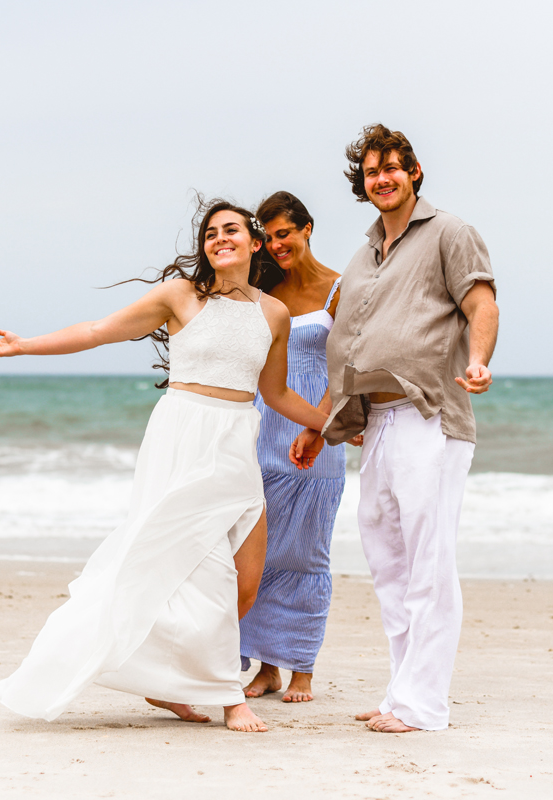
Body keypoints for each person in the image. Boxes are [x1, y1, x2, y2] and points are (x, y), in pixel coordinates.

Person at [0, 199, 328, 733]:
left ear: (255, 244)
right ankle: (229, 696)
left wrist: (330, 421)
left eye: (231, 230)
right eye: (211, 233)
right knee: (207, 570)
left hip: (236, 441)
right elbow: (97, 330)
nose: (219, 239)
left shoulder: (273, 313)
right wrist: (25, 346)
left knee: (247, 580)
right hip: (183, 436)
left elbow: (275, 392)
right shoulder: (180, 295)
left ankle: (174, 683)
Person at [291, 124, 499, 733]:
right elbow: (346, 344)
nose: (381, 178)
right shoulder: (361, 258)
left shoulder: (450, 233)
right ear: (363, 182)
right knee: (389, 565)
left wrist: (478, 359)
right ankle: (400, 692)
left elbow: (481, 303)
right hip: (373, 422)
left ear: (414, 173)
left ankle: (424, 705)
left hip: (428, 417)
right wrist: (322, 423)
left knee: (428, 564)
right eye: (371, 170)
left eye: (392, 167)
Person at [238, 191, 357, 704]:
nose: (275, 244)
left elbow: (348, 361)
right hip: (265, 424)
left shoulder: (341, 289)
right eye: (267, 236)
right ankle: (265, 667)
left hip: (320, 427)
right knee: (258, 548)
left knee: (307, 551)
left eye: (284, 232)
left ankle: (301, 666)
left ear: (307, 228)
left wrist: (322, 423)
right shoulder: (262, 286)